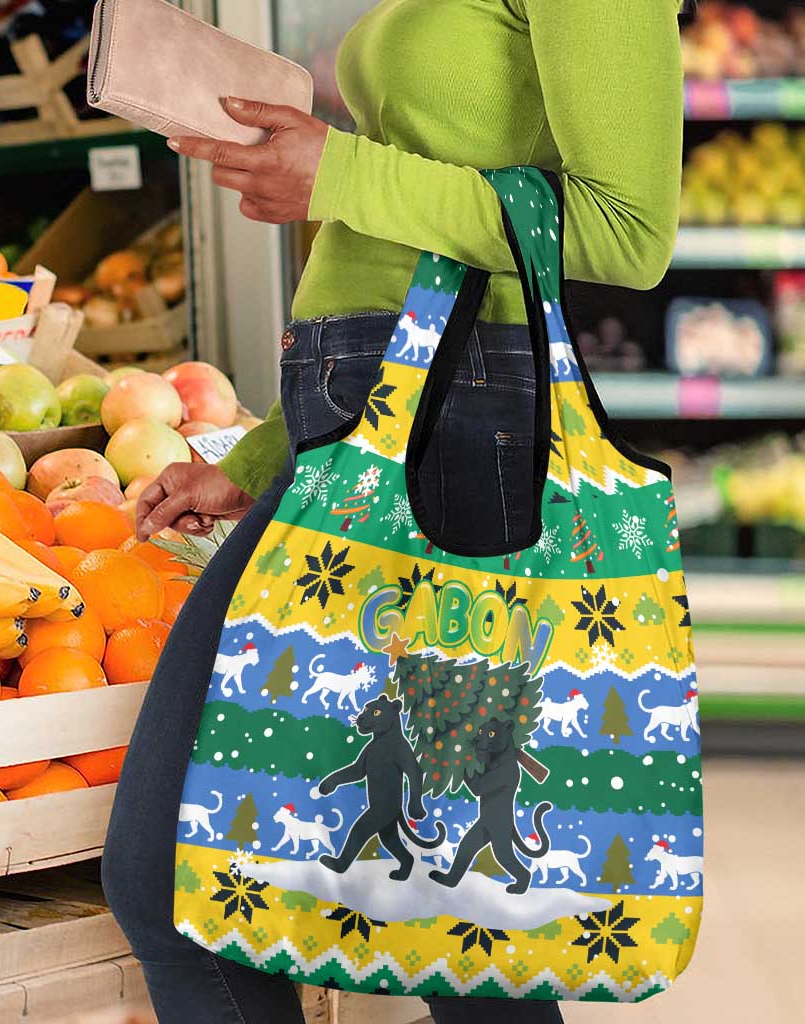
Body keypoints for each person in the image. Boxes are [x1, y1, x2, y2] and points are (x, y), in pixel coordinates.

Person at [102, 2, 685, 1021]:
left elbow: (628, 231)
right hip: (374, 430)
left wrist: (340, 172)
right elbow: (401, 243)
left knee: (214, 886)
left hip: (460, 437)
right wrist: (263, 455)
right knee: (448, 926)